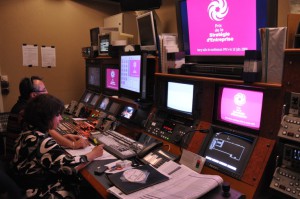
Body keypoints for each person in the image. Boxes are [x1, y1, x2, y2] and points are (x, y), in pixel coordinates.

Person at [11, 94, 104, 198]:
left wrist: (64, 137)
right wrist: (94, 154)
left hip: (25, 187)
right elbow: (70, 167)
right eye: (57, 114)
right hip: (40, 192)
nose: (60, 118)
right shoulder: (42, 142)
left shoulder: (29, 131)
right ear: (46, 117)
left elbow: (42, 150)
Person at [6, 76, 89, 150]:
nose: (47, 92)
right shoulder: (24, 111)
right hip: (18, 161)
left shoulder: (25, 106)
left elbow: (42, 134)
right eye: (44, 90)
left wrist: (63, 138)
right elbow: (49, 131)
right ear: (34, 95)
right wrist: (73, 144)